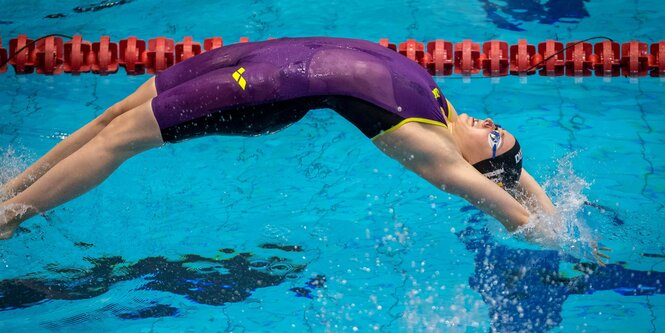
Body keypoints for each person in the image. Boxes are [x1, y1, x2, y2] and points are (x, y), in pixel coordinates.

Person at [0, 37, 609, 263]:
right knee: (115, 112)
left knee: (120, 141)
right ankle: (12, 188)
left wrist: (563, 241)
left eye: (495, 137)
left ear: (478, 160)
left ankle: (8, 217)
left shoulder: (434, 151)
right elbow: (513, 178)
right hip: (261, 54)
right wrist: (530, 180)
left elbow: (502, 204)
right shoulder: (446, 110)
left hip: (261, 90)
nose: (494, 123)